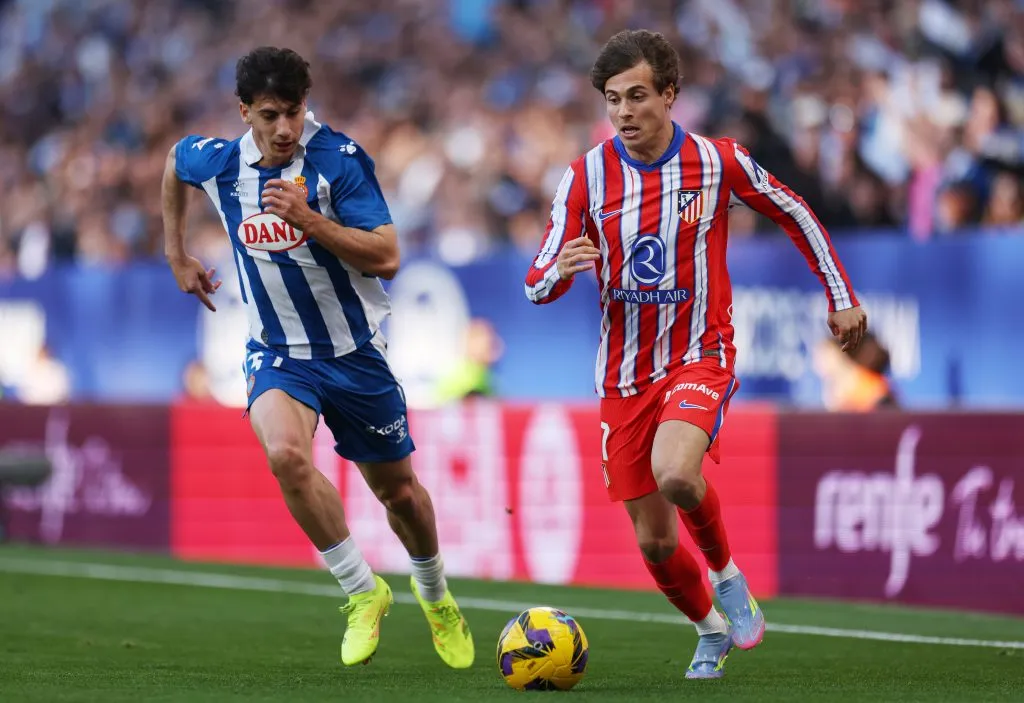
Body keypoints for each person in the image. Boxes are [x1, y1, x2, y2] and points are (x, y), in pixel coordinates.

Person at [525, 30, 866, 679]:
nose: (623, 112)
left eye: (636, 96)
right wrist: (559, 272)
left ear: (670, 94)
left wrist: (841, 292)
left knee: (678, 474)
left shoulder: (718, 161)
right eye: (612, 100)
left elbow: (794, 210)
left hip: (698, 354)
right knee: (654, 541)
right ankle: (708, 627)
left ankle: (728, 575)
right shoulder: (584, 178)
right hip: (623, 375)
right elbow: (537, 278)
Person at [161, 47, 473, 669]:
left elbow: (386, 257)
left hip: (356, 354)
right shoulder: (221, 163)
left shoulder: (340, 161)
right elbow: (174, 162)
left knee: (401, 496)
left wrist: (309, 219)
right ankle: (363, 592)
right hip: (280, 354)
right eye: (270, 114)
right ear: (243, 111)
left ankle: (436, 597)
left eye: (294, 112)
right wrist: (175, 254)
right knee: (285, 456)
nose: (284, 129)